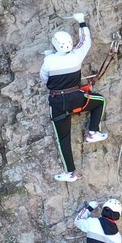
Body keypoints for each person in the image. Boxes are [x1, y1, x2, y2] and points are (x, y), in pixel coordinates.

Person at [38, 14, 107, 182]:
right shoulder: (76, 56)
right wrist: (81, 21)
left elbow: (44, 79)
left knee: (63, 139)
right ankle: (93, 131)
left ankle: (70, 173)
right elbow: (85, 42)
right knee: (99, 101)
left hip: (57, 103)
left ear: (55, 46)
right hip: (77, 99)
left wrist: (52, 59)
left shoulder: (48, 61)